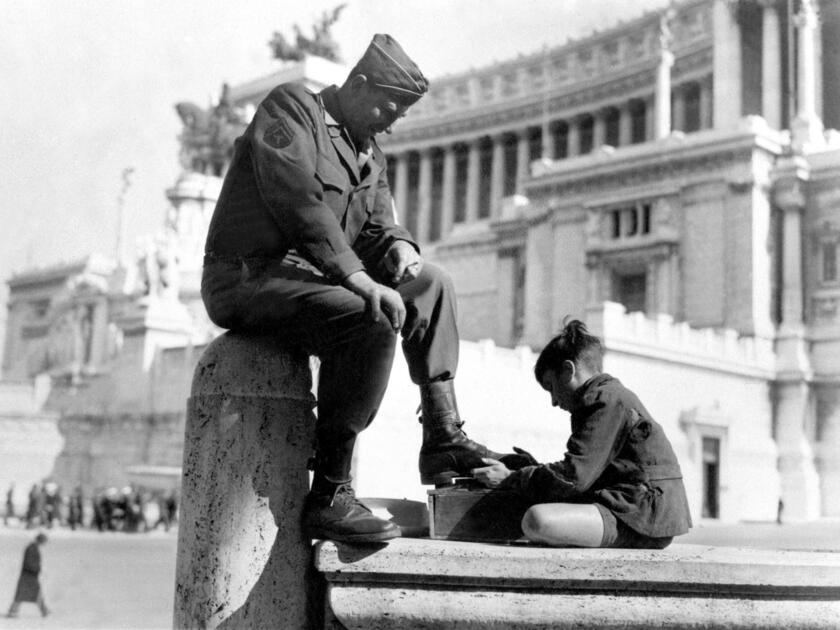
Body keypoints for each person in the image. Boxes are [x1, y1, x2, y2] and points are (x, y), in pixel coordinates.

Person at [201, 33, 518, 544]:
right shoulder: (291, 109)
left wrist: (399, 248)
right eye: (388, 108)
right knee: (366, 315)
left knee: (430, 283)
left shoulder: (369, 151)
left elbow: (376, 227)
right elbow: (298, 200)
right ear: (360, 84)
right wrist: (359, 279)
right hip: (248, 277)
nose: (391, 123)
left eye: (400, 115)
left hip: (316, 280)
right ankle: (330, 492)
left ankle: (443, 434)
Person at [471, 320, 692, 549]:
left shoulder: (605, 401)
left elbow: (574, 477)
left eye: (551, 387)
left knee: (537, 520)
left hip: (642, 519)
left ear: (568, 371)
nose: (554, 401)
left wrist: (511, 478)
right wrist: (530, 471)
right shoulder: (609, 397)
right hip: (637, 510)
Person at [6, 533, 50, 618]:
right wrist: (36, 569)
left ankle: (44, 610)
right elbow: (28, 562)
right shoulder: (31, 548)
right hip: (28, 575)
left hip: (31, 575)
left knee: (35, 592)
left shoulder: (34, 547)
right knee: (22, 593)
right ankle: (13, 611)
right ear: (40, 540)